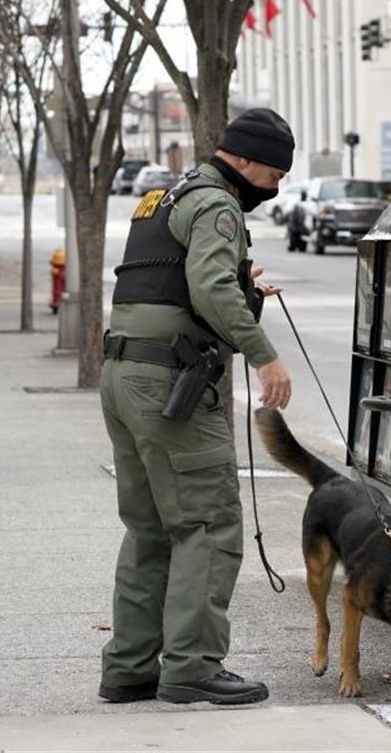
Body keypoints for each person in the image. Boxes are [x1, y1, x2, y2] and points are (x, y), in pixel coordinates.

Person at [98, 108, 295, 706]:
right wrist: (265, 356)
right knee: (207, 523)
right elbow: (209, 290)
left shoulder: (161, 197)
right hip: (171, 382)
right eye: (274, 172)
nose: (277, 186)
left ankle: (129, 668)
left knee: (151, 527)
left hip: (123, 374)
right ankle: (191, 666)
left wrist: (243, 285)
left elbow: (174, 282)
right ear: (243, 159)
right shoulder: (218, 204)